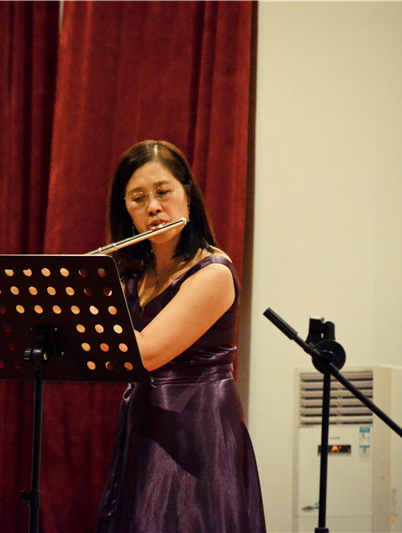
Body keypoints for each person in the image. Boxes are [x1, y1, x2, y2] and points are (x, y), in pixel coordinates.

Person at [96, 140, 266, 533]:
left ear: (187, 194)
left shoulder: (213, 273)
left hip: (197, 430)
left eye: (163, 191)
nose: (153, 207)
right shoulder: (131, 277)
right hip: (145, 423)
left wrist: (80, 305)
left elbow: (147, 354)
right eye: (138, 198)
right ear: (126, 210)